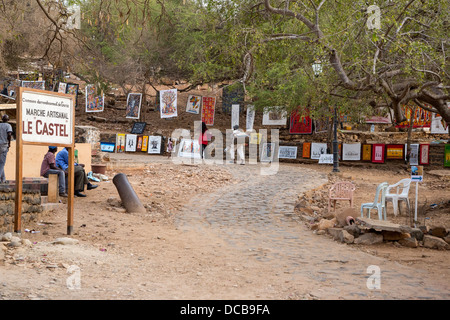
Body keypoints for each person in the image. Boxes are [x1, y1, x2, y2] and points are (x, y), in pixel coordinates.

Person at [0, 114, 13, 183]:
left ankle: (3, 179)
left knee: (1, 163)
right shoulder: (8, 126)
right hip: (4, 145)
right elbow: (9, 134)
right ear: (8, 120)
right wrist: (9, 143)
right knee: (2, 163)